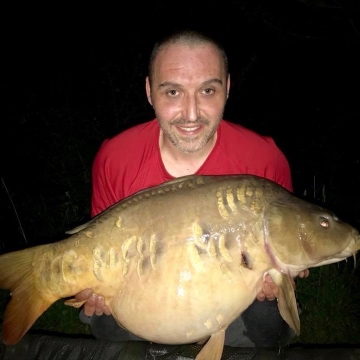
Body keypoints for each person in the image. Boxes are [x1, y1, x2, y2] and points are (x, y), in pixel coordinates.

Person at [75, 28, 309, 348]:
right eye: (172, 92)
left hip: (232, 299)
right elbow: (100, 245)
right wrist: (95, 287)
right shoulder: (115, 158)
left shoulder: (264, 159)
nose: (191, 113)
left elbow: (288, 248)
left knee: (269, 321)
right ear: (149, 91)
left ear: (226, 88)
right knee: (105, 323)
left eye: (207, 91)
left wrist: (282, 279)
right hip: (148, 292)